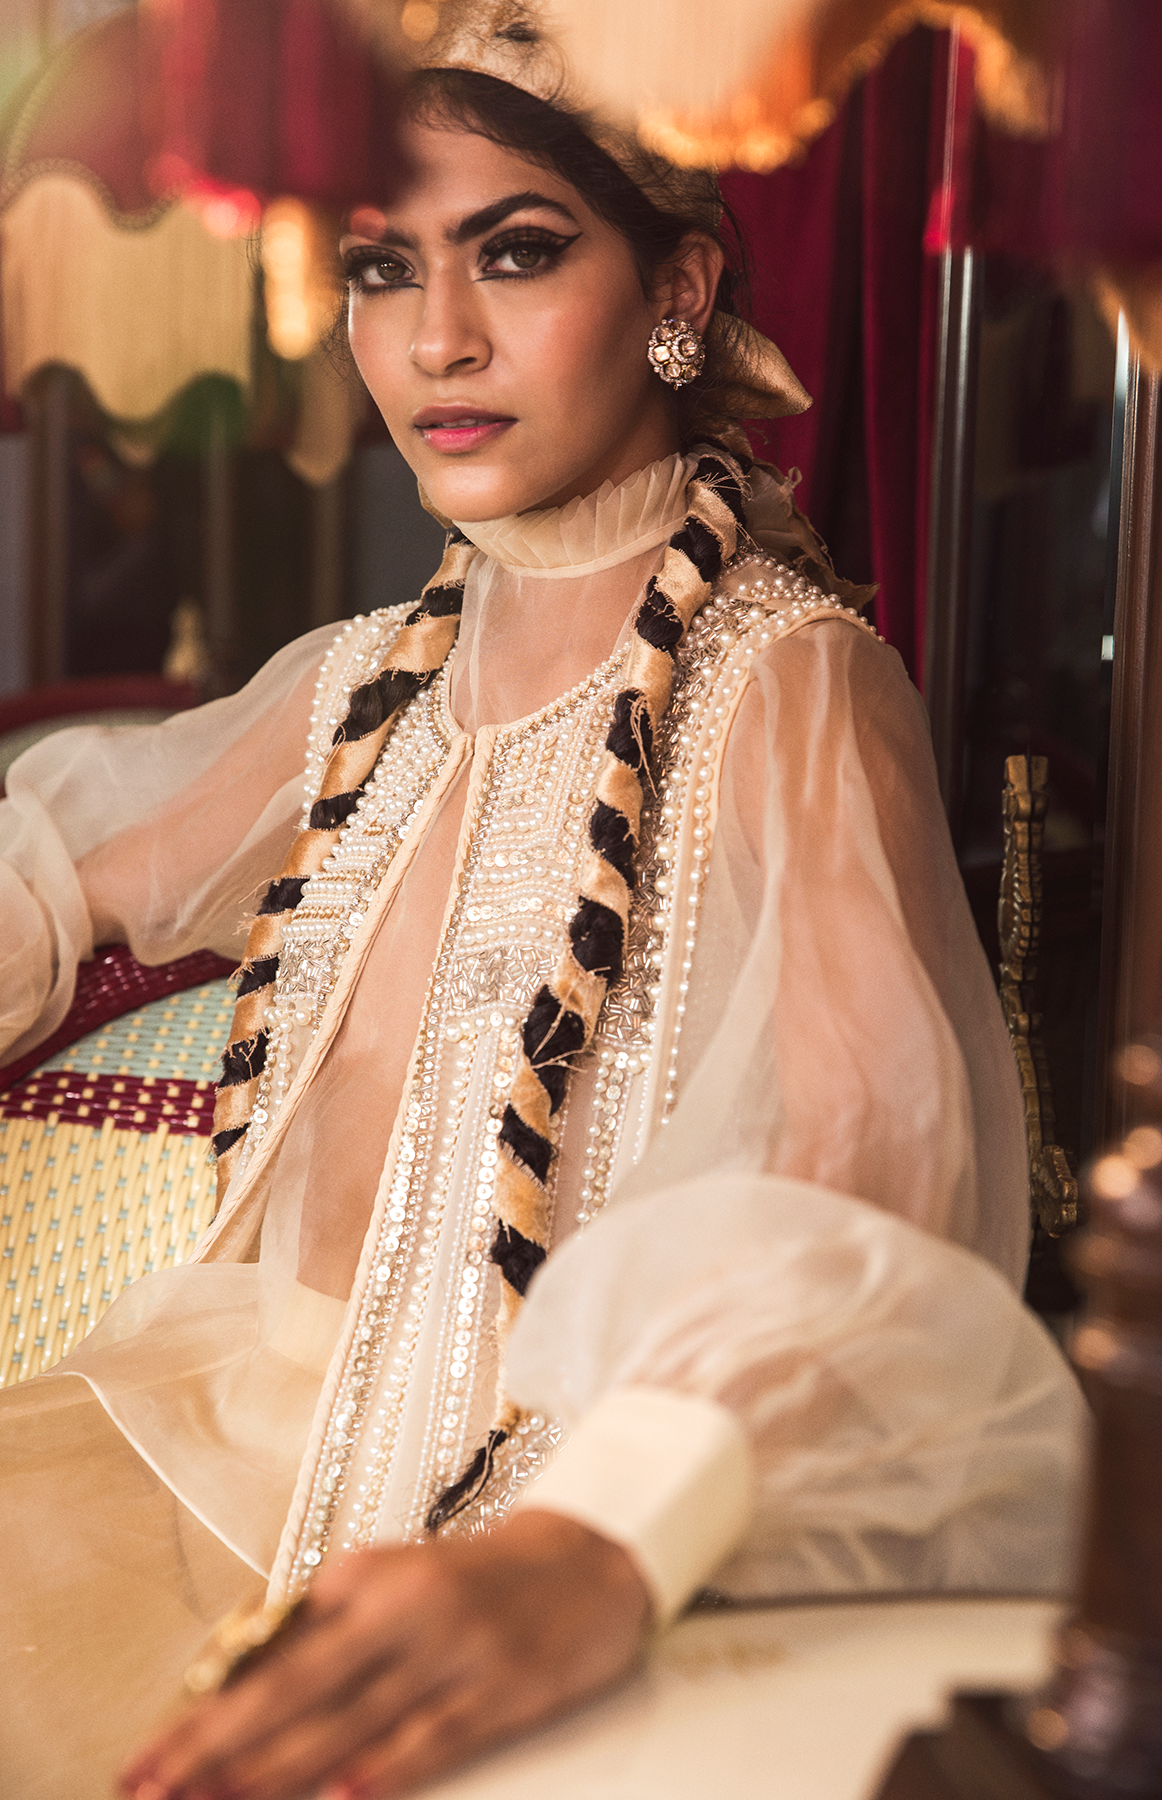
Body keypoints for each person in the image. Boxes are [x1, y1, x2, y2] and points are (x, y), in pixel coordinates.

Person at [0, 8, 1084, 1798]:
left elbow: (865, 1174)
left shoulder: (788, 686)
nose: (435, 340)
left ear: (678, 286)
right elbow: (53, 876)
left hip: (557, 1538)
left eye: (516, 252)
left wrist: (601, 1544)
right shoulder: (360, 683)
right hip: (224, 1475)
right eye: (377, 266)